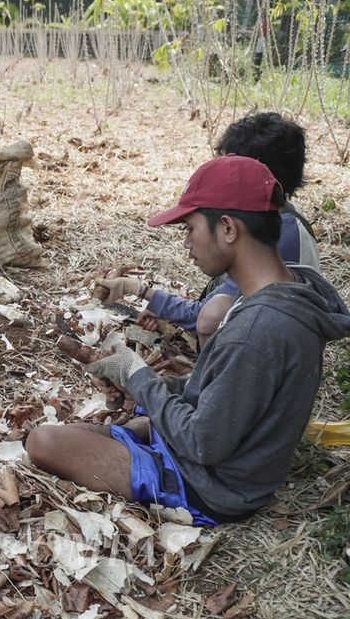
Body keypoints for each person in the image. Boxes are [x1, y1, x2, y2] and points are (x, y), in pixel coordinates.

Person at [27, 155, 349, 526]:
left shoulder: (260, 328)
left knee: (43, 442)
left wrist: (137, 375)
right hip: (227, 459)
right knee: (89, 433)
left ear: (227, 228)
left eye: (190, 228)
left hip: (210, 487)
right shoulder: (282, 292)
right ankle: (137, 433)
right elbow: (228, 391)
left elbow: (203, 442)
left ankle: (144, 447)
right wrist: (155, 387)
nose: (186, 244)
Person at [96, 112, 319, 347]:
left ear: (255, 173)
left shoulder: (277, 235)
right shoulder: (277, 221)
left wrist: (143, 294)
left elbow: (209, 318)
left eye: (227, 165)